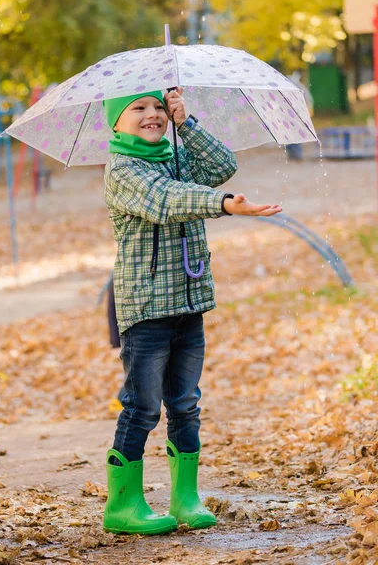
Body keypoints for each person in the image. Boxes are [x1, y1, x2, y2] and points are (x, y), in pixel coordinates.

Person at [102, 88, 282, 535]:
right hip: (146, 308)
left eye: (159, 107)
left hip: (188, 301)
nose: (152, 115)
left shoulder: (174, 155)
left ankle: (185, 497)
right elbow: (167, 200)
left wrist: (188, 124)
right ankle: (122, 505)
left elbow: (221, 166)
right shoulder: (123, 170)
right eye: (139, 108)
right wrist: (223, 205)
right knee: (142, 407)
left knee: (184, 404)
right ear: (116, 122)